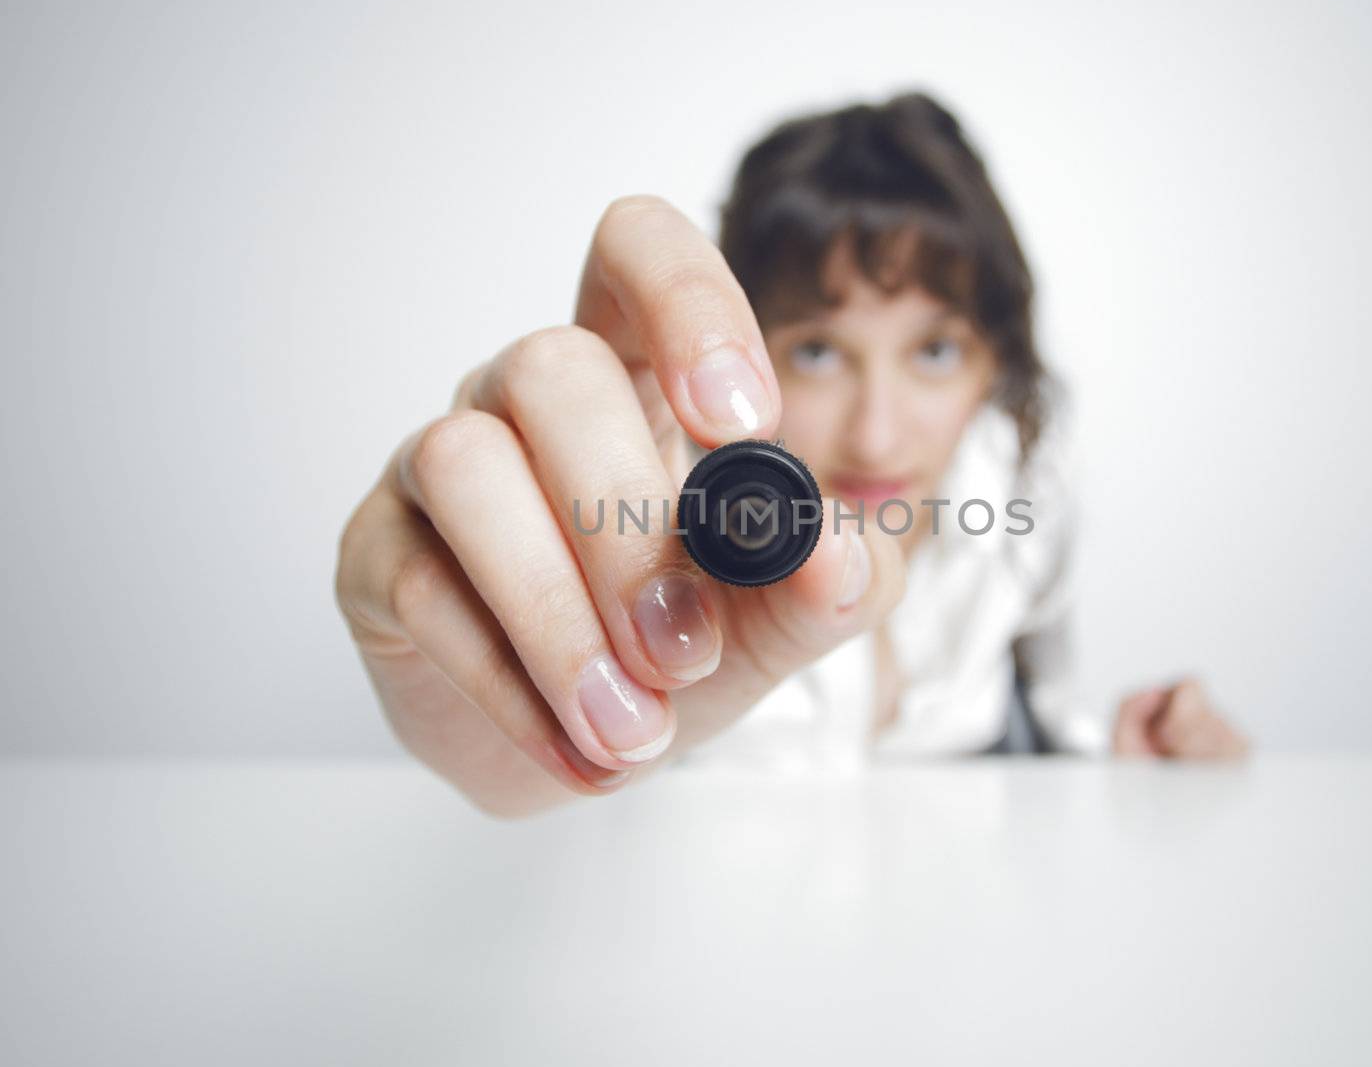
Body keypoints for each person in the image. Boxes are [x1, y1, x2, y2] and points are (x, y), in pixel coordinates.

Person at [334, 92, 1248, 817]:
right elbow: (549, 794)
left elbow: (1038, 721)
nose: (878, 435)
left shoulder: (1017, 488)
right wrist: (520, 735)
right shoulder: (651, 520)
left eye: (934, 351)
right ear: (739, 346)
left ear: (994, 361)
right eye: (817, 351)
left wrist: (1127, 772)